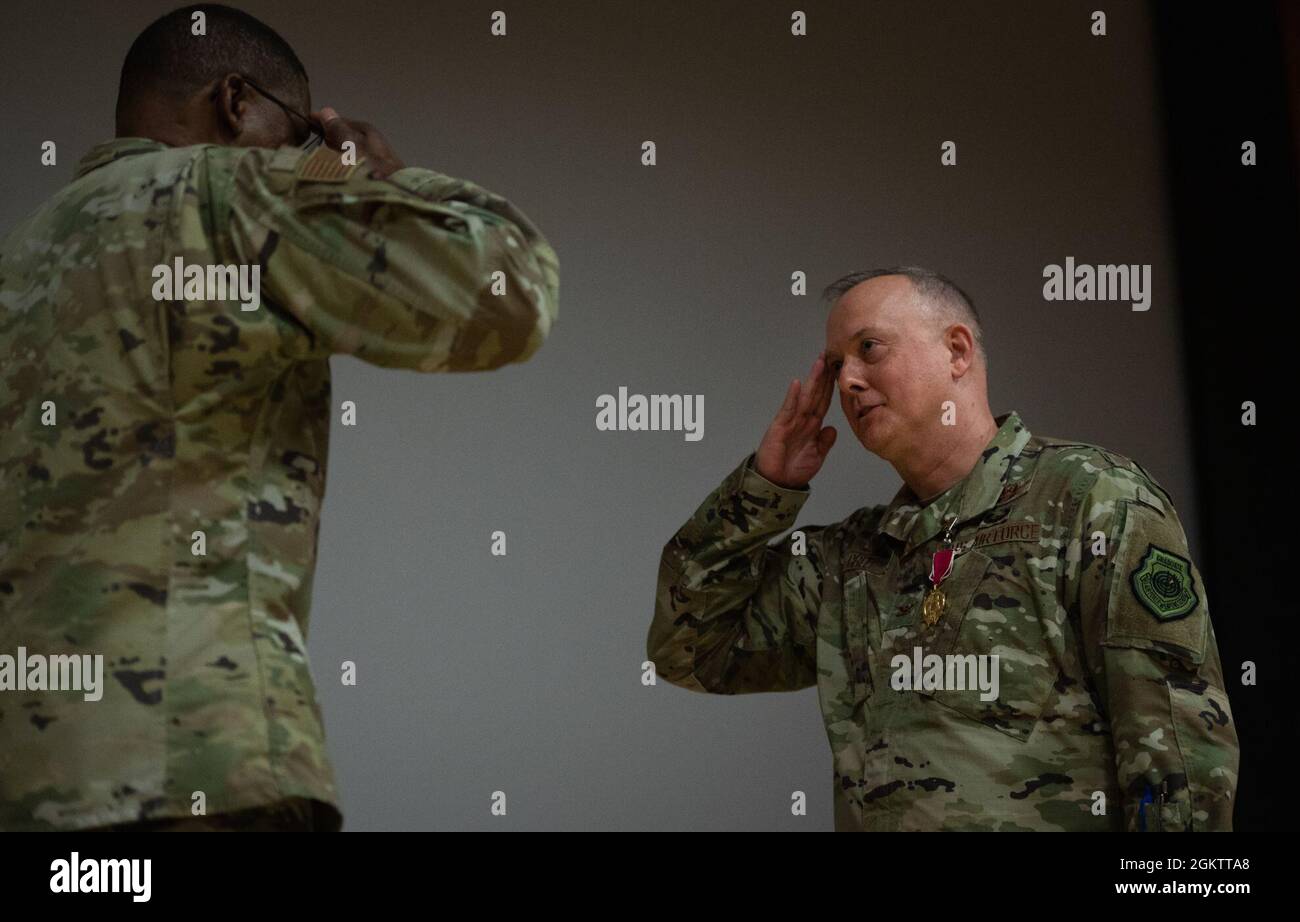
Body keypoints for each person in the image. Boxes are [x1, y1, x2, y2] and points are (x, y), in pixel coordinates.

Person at [0, 4, 559, 831]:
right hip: (199, 770)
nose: (303, 154)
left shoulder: (24, 257)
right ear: (237, 103)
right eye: (296, 130)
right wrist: (376, 177)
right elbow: (512, 290)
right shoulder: (225, 196)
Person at [648, 267, 1238, 831]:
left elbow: (1179, 755)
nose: (847, 380)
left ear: (957, 351)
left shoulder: (1091, 498)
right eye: (836, 365)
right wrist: (764, 489)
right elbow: (691, 650)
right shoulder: (849, 561)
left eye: (869, 348)